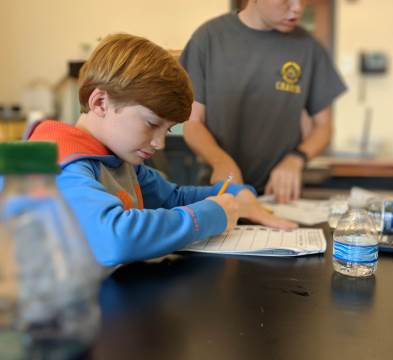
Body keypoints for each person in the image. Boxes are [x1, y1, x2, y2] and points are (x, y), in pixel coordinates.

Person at [26, 33, 296, 267]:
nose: (160, 143)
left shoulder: (118, 160)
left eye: (166, 130)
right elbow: (115, 239)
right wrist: (209, 216)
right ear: (100, 103)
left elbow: (173, 198)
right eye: (151, 123)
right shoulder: (62, 164)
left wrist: (235, 195)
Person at [180, 0, 346, 203]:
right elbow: (193, 123)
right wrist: (221, 162)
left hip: (279, 195)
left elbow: (324, 127)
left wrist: (296, 159)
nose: (297, 8)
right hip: (219, 191)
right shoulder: (208, 38)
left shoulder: (309, 47)